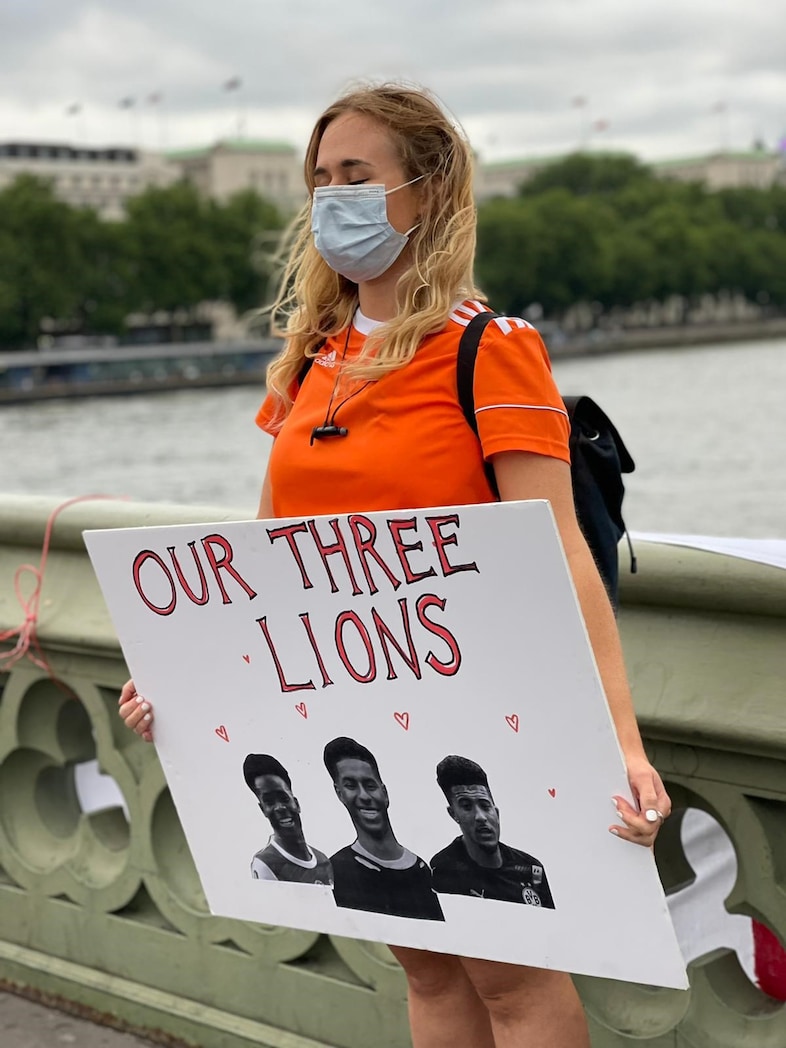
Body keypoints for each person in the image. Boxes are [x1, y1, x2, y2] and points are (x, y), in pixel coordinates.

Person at [120, 80, 671, 1048]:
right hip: (353, 713)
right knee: (421, 961)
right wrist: (173, 671)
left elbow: (561, 557)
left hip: (476, 697)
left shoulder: (489, 349)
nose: (332, 195)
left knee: (512, 972)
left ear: (423, 191)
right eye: (321, 177)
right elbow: (259, 566)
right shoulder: (307, 360)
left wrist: (618, 739)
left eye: (357, 174)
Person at [323, 736, 443, 920]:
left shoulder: (422, 870)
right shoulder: (337, 871)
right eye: (351, 786)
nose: (363, 795)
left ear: (384, 793)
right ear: (340, 794)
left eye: (370, 785)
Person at [430, 755, 555, 908]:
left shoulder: (532, 869)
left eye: (485, 805)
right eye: (467, 806)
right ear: (453, 814)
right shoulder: (443, 870)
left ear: (496, 813)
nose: (480, 817)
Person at [242, 752, 333, 885]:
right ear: (263, 810)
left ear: (296, 803)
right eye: (269, 802)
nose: (279, 808)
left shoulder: (323, 861)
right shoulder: (266, 864)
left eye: (284, 798)